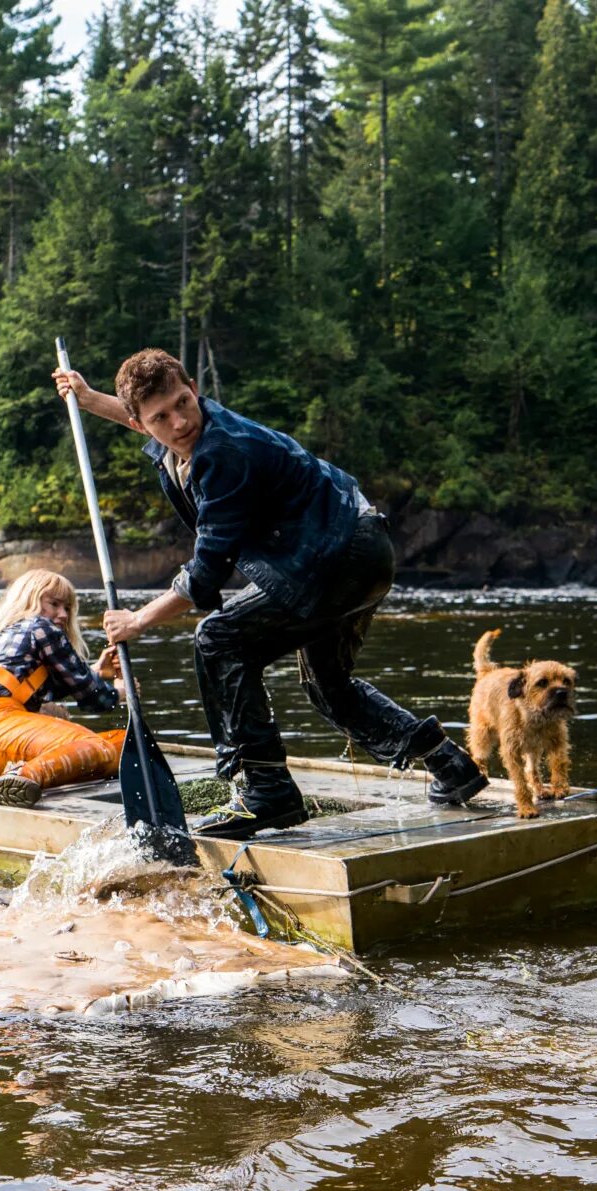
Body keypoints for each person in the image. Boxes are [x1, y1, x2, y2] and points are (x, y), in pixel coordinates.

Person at [51, 348, 487, 837]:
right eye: (161, 417)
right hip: (359, 549)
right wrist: (88, 400)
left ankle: (266, 791)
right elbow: (138, 417)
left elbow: (207, 572)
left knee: (219, 641)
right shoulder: (177, 436)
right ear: (142, 423)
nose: (179, 422)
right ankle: (450, 765)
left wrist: (138, 621)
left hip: (336, 556)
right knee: (328, 684)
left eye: (183, 403)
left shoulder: (222, 454)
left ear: (194, 388)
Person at [0, 569, 129, 808]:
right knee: (99, 747)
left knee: (122, 743)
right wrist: (120, 692)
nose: (62, 614)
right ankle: (19, 779)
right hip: (0, 727)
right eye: (54, 604)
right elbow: (93, 698)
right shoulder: (41, 627)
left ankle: (16, 776)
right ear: (29, 601)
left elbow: (53, 686)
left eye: (67, 608)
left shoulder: (9, 637)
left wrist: (98, 671)